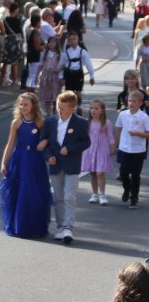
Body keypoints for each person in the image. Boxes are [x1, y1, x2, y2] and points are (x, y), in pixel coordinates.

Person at [0, 92, 53, 239]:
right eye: (21, 104)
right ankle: (20, 225)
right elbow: (10, 144)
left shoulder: (40, 122)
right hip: (19, 159)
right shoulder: (16, 122)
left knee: (33, 191)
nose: (23, 107)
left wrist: (45, 142)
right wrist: (4, 162)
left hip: (35, 160)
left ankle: (35, 225)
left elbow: (49, 136)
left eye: (26, 104)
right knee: (20, 190)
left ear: (33, 105)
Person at [39, 91, 91, 244]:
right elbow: (44, 142)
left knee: (69, 197)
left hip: (72, 164)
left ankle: (68, 227)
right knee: (58, 197)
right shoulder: (50, 121)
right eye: (58, 106)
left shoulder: (81, 123)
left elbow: (86, 142)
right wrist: (48, 156)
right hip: (55, 164)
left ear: (72, 108)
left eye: (62, 108)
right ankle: (60, 227)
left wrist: (70, 148)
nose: (59, 110)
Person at [115, 90, 149, 209]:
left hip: (138, 150)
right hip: (124, 148)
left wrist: (138, 133)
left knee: (135, 174)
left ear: (140, 103)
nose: (131, 103)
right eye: (129, 101)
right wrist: (116, 144)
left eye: (134, 101)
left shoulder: (144, 117)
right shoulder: (122, 114)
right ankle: (127, 189)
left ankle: (134, 198)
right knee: (123, 173)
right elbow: (119, 129)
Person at [83, 99, 116, 206]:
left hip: (102, 150)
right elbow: (83, 137)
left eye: (96, 108)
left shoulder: (106, 123)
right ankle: (94, 194)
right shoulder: (87, 122)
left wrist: (113, 147)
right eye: (91, 108)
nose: (93, 110)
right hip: (90, 150)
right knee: (93, 173)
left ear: (102, 110)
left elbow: (110, 137)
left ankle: (102, 195)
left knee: (100, 172)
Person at [60, 31, 95, 105]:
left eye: (74, 39)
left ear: (78, 40)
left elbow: (89, 64)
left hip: (78, 74)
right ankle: (70, 108)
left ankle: (79, 107)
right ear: (68, 41)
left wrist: (91, 76)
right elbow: (61, 65)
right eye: (70, 39)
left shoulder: (82, 52)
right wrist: (61, 77)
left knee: (78, 93)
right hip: (69, 74)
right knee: (69, 94)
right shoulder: (66, 52)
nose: (73, 41)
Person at [37, 36, 62, 110]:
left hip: (55, 77)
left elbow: (63, 65)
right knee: (47, 96)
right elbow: (40, 64)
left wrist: (59, 71)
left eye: (53, 42)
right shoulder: (44, 53)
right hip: (46, 77)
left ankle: (55, 110)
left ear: (57, 44)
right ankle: (48, 113)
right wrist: (37, 76)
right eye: (50, 42)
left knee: (55, 96)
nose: (51, 44)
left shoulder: (60, 54)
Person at [25, 9, 46, 92]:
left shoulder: (28, 30)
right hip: (35, 56)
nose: (41, 24)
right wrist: (46, 46)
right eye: (40, 22)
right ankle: (30, 92)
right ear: (37, 23)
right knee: (33, 75)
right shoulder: (35, 32)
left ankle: (28, 91)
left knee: (31, 75)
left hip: (30, 55)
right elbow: (37, 47)